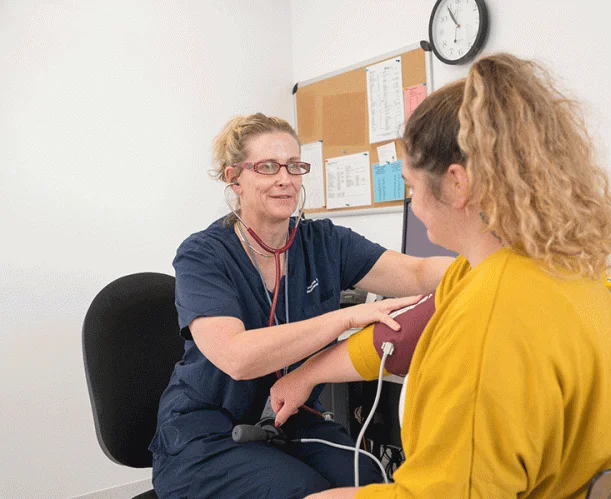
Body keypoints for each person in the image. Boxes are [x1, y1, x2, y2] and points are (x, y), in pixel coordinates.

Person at [269, 53, 611, 499]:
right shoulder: (551, 264)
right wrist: (308, 372)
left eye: (411, 187)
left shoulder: (489, 322)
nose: (414, 205)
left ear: (457, 184)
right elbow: (408, 330)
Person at [148, 113, 453, 499]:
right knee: (302, 490)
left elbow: (417, 272)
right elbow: (237, 357)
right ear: (233, 178)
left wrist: (494, 265)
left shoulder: (324, 242)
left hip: (295, 420)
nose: (285, 179)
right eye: (268, 166)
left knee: (373, 482)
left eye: (294, 166)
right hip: (208, 433)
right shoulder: (202, 256)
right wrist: (344, 316)